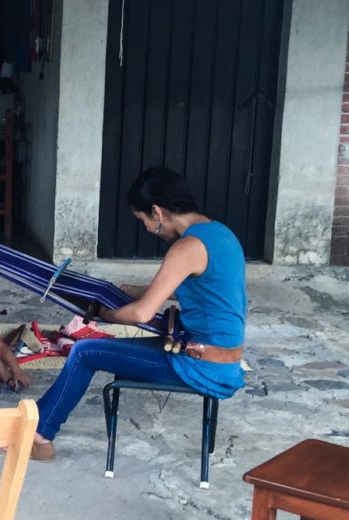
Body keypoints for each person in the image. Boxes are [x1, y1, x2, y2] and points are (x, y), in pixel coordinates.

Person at [28, 167, 246, 461]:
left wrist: (107, 313)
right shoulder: (220, 234)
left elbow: (142, 315)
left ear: (157, 211)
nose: (146, 228)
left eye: (143, 220)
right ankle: (38, 429)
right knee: (97, 349)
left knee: (84, 351)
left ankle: (39, 436)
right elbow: (200, 287)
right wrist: (133, 289)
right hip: (221, 359)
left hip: (200, 366)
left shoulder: (186, 247)